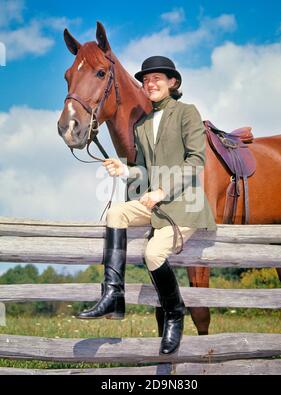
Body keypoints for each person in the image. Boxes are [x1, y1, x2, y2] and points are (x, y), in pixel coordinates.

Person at [77, 56, 216, 355]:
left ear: (172, 83)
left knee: (153, 252)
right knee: (116, 212)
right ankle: (113, 294)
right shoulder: (142, 125)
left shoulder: (187, 112)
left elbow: (196, 161)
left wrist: (162, 190)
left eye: (157, 79)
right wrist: (124, 170)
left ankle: (174, 314)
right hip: (156, 203)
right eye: (146, 80)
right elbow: (143, 170)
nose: (150, 84)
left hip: (185, 204)